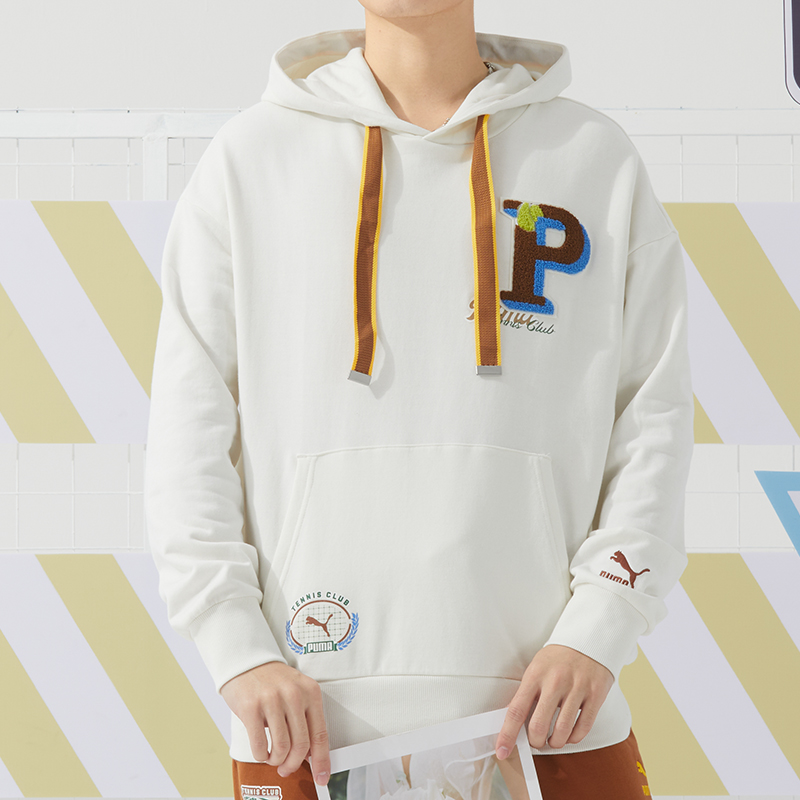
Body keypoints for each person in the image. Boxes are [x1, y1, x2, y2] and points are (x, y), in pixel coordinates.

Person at [143, 1, 694, 798]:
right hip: (305, 719)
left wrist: (601, 625)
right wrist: (238, 650)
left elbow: (654, 416)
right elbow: (188, 434)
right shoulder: (250, 160)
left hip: (552, 712)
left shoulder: (592, 158)